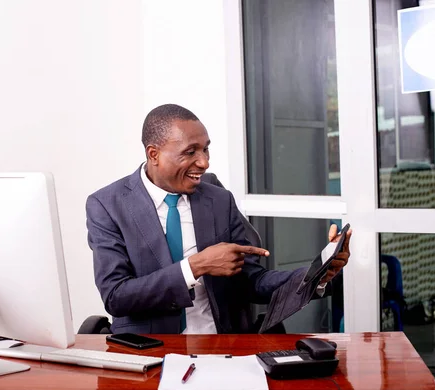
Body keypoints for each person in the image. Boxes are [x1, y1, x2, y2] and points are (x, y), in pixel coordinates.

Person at [86, 104, 352, 334]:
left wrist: (317, 274)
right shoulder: (108, 205)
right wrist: (195, 267)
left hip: (221, 343)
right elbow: (116, 296)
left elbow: (252, 282)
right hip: (149, 351)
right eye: (191, 152)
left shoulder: (218, 200)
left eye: (206, 150)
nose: (204, 163)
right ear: (153, 154)